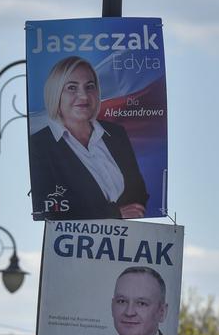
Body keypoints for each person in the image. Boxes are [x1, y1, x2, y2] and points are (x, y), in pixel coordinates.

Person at [29, 56, 148, 221]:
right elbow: (50, 207)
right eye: (72, 88)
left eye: (90, 86)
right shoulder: (39, 146)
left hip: (125, 240)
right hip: (73, 243)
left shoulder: (116, 133)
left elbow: (138, 190)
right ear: (55, 93)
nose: (84, 96)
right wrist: (115, 214)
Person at [77, 266, 175, 335]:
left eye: (142, 303)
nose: (129, 312)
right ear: (112, 306)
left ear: (162, 312)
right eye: (122, 301)